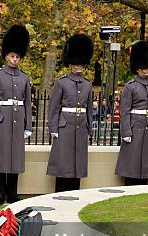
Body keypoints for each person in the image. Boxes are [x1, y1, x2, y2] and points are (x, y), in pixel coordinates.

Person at [0, 25, 32, 205]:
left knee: (15, 158)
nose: (15, 59)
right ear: (6, 57)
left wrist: (28, 126)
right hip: (2, 120)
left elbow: (27, 102)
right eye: (12, 56)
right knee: (1, 158)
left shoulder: (24, 77)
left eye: (17, 56)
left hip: (18, 120)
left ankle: (12, 194)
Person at [46, 34, 94, 192]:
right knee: (63, 163)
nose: (78, 65)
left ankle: (75, 194)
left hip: (80, 127)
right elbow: (54, 108)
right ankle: (59, 193)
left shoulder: (87, 84)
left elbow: (88, 109)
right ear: (71, 63)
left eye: (81, 62)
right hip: (64, 126)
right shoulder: (62, 82)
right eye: (76, 62)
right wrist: (53, 129)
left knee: (77, 162)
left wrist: (89, 128)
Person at [115, 41, 148, 186]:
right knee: (132, 164)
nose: (146, 69)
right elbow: (124, 112)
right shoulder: (130, 87)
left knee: (147, 164)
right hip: (135, 128)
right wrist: (126, 132)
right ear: (137, 68)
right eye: (143, 66)